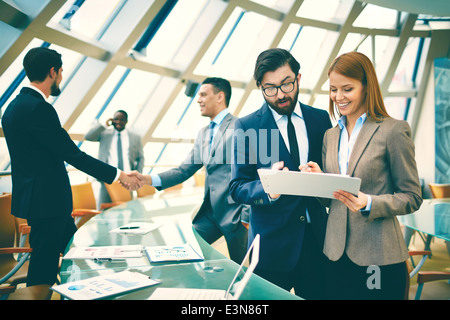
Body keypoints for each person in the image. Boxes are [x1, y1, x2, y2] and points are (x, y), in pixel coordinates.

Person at [1, 47, 141, 287]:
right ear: (53, 72)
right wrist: (118, 175)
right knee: (44, 266)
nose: (62, 77)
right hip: (48, 202)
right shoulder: (39, 108)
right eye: (62, 72)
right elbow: (72, 154)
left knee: (76, 251)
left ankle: (93, 288)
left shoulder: (12, 107)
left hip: (38, 200)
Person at [301, 51, 423, 299]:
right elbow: (332, 201)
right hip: (334, 255)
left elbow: (412, 196)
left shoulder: (393, 131)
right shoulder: (330, 136)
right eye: (334, 90)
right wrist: (319, 180)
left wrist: (369, 202)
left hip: (378, 255)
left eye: (347, 89)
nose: (338, 97)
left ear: (367, 87)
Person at [229, 48, 332, 299]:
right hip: (270, 248)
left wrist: (323, 177)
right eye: (270, 88)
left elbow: (333, 173)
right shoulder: (247, 126)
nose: (280, 95)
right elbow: (237, 186)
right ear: (260, 88)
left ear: (298, 78)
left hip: (317, 242)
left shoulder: (320, 119)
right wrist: (267, 188)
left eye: (286, 84)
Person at [129, 77, 250, 263]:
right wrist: (146, 179)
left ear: (220, 97)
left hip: (235, 217)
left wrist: (246, 215)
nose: (198, 100)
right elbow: (184, 170)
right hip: (209, 215)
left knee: (242, 272)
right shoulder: (204, 133)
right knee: (186, 253)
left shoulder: (239, 127)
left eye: (203, 94)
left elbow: (253, 172)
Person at [85, 110, 145, 207]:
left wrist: (137, 174)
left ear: (126, 121)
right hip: (107, 178)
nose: (118, 122)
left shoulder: (135, 137)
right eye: (116, 119)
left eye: (121, 120)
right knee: (103, 209)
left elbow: (141, 158)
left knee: (128, 208)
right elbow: (88, 137)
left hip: (127, 179)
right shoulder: (105, 134)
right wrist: (104, 125)